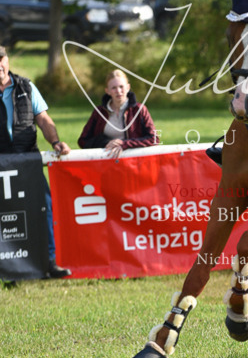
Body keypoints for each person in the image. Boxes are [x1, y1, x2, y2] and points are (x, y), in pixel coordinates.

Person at [0, 46, 71, 278]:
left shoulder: (26, 87)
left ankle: (49, 262)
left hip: (27, 161)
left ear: (7, 60)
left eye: (1, 59)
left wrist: (55, 142)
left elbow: (43, 118)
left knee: (44, 208)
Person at [78, 69, 158, 158]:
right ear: (107, 91)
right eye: (114, 88)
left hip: (134, 163)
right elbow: (82, 141)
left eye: (121, 86)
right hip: (104, 164)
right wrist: (106, 143)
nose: (118, 91)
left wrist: (125, 144)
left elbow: (154, 139)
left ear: (128, 87)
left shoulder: (140, 109)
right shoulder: (99, 112)